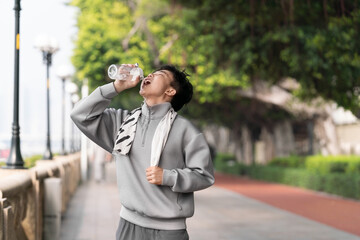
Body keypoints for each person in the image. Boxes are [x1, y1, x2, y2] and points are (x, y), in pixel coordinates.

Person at [71, 64, 215, 240]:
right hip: (128, 226)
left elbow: (204, 175)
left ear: (170, 91)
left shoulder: (186, 130)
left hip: (168, 231)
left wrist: (168, 177)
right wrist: (115, 87)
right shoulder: (122, 123)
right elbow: (80, 115)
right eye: (151, 73)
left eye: (159, 74)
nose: (150, 75)